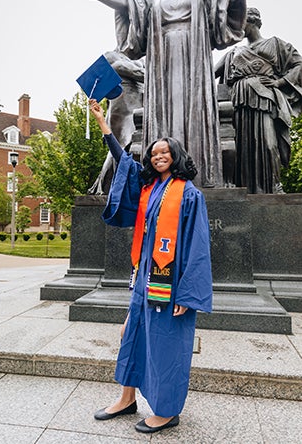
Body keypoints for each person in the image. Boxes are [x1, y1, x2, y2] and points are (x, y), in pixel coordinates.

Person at [77, 0, 286, 188]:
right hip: (163, 72)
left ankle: (198, 173)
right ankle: (161, 176)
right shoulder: (153, 3)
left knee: (195, 114)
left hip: (193, 68)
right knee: (163, 116)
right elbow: (128, 4)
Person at [89, 98, 212, 434]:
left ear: (176, 157)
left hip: (171, 285)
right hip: (144, 279)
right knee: (130, 335)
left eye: (165, 153)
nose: (158, 157)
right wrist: (102, 123)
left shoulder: (189, 195)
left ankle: (167, 410)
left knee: (165, 346)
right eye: (154, 153)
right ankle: (127, 398)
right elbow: (123, 163)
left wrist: (188, 295)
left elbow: (199, 248)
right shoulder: (148, 190)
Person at [215, 7, 302, 193]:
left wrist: (279, 82)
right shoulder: (234, 52)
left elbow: (299, 65)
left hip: (264, 99)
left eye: (241, 21)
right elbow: (209, 71)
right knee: (242, 147)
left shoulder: (275, 44)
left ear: (252, 21)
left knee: (268, 143)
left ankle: (272, 186)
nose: (237, 26)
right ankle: (243, 188)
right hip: (238, 102)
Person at [88, 50, 145, 195]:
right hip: (122, 110)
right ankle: (106, 187)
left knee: (122, 148)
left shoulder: (136, 60)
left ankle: (104, 187)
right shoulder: (117, 62)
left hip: (136, 107)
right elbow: (144, 75)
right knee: (122, 147)